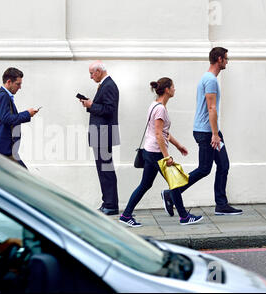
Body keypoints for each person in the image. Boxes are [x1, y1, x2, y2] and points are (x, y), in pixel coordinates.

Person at [161, 47, 243, 216]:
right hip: (207, 132)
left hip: (209, 131)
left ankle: (221, 204)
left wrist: (215, 132)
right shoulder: (211, 80)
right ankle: (171, 193)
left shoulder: (207, 78)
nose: (227, 62)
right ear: (219, 59)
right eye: (226, 59)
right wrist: (214, 134)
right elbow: (211, 108)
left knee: (223, 165)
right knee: (205, 168)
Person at [119, 78, 203, 227]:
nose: (174, 89)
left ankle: (126, 215)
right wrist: (167, 157)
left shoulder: (155, 105)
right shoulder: (160, 109)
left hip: (150, 151)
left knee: (145, 185)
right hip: (156, 153)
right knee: (175, 183)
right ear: (167, 90)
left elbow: (163, 133)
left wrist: (178, 146)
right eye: (173, 87)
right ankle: (184, 217)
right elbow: (158, 134)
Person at [80, 61, 120, 215]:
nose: (91, 77)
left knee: (105, 170)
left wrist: (91, 105)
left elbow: (109, 110)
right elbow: (104, 107)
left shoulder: (109, 85)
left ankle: (110, 204)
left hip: (103, 134)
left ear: (98, 71)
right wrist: (90, 105)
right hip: (101, 134)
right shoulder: (106, 84)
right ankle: (108, 203)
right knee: (104, 169)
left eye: (91, 73)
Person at [0, 67, 38, 168]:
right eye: (18, 84)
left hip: (2, 147)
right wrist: (27, 114)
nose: (20, 87)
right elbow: (7, 118)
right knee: (24, 176)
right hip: (4, 149)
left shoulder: (1, 95)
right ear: (9, 82)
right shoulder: (3, 96)